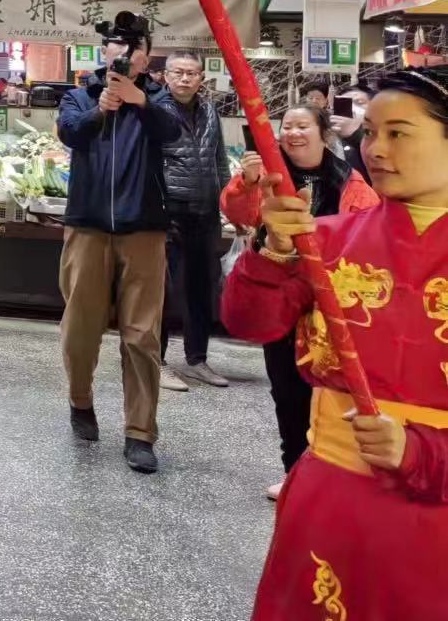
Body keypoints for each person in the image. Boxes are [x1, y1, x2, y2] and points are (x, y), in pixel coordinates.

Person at [222, 69, 448, 620]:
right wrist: (275, 250)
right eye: (370, 132)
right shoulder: (328, 240)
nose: (376, 149)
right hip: (329, 500)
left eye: (399, 133)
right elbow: (249, 324)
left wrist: (419, 453)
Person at [222, 103, 379, 500]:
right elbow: (239, 215)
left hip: (328, 302)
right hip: (277, 293)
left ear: (323, 133)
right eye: (287, 126)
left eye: (302, 126)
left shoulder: (349, 180)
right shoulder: (269, 175)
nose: (293, 133)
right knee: (286, 391)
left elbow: (366, 232)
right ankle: (294, 472)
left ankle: (326, 473)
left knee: (325, 391)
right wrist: (248, 183)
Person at [55, 15, 182, 474]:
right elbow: (69, 132)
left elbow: (172, 131)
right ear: (103, 52)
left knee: (142, 335)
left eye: (132, 46)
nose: (122, 52)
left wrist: (139, 101)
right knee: (80, 328)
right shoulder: (80, 94)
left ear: (146, 57)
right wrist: (100, 110)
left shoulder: (159, 98)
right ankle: (80, 401)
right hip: (87, 226)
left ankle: (140, 433)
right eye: (114, 44)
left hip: (144, 229)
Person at [158, 50, 233, 392]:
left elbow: (220, 159)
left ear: (202, 78)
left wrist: (228, 203)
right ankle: (155, 361)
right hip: (169, 212)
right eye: (178, 72)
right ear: (166, 76)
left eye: (192, 73)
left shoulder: (209, 110)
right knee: (161, 291)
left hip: (205, 212)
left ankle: (197, 359)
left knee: (202, 288)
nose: (185, 78)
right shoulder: (155, 109)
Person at [332, 84, 372, 179]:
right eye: (345, 104)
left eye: (359, 102)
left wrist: (354, 135)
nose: (353, 109)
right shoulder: (328, 139)